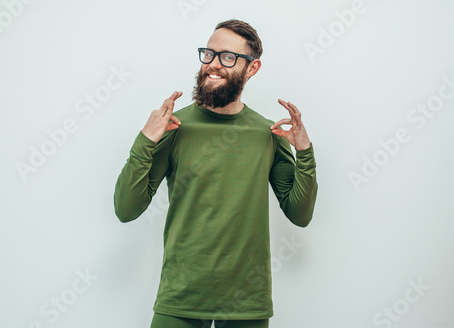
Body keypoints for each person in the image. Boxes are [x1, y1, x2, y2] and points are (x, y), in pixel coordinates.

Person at [114, 19, 318, 328]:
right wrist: (145, 140)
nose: (213, 65)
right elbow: (126, 209)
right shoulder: (174, 128)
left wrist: (304, 153)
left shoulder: (268, 133)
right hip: (180, 299)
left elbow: (300, 215)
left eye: (227, 57)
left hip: (247, 303)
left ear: (252, 68)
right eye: (208, 54)